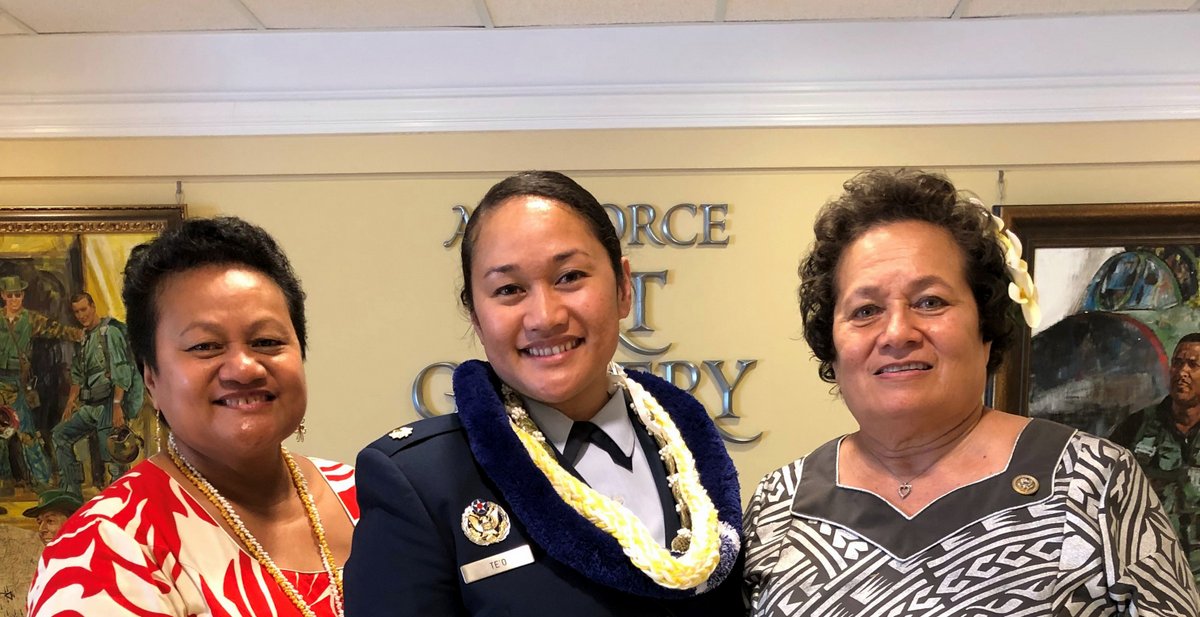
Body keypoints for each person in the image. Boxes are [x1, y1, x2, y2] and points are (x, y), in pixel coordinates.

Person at [743, 169, 1200, 616]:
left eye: (930, 302)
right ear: (832, 345)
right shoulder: (780, 503)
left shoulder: (1094, 481)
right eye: (865, 310)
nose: (897, 332)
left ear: (986, 326)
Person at [346, 171, 743, 616]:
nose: (544, 316)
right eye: (509, 289)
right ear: (475, 315)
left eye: (570, 276)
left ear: (623, 287)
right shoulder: (421, 481)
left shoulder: (686, 450)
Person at [27, 217, 358, 617]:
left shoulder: (371, 494)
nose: (244, 368)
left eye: (267, 341)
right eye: (205, 345)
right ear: (151, 378)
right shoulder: (104, 547)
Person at [1111, 332, 1200, 580]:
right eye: (1178, 363)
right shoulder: (1137, 426)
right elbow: (1103, 488)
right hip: (1150, 572)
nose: (1182, 372)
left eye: (1193, 364)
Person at [51, 291, 144, 496]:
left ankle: (121, 501)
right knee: (60, 435)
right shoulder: (84, 338)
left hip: (110, 403)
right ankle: (71, 492)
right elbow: (77, 374)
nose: (81, 315)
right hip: (91, 404)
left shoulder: (109, 332)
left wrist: (118, 406)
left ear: (93, 307)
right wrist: (70, 402)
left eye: (84, 309)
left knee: (113, 455)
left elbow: (122, 370)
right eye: (76, 312)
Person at [0, 275, 81, 494]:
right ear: (3, 296)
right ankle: (4, 482)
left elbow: (56, 330)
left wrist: (80, 334)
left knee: (26, 434)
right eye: (10, 295)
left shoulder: (31, 320)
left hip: (16, 383)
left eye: (18, 295)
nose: (14, 299)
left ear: (23, 296)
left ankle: (42, 480)